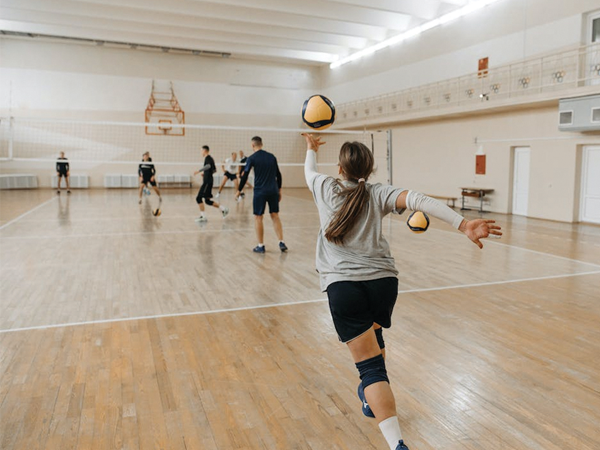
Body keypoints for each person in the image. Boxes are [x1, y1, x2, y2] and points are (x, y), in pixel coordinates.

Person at [302, 133, 502, 450]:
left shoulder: (325, 187)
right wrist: (463, 224)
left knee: (370, 369)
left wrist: (311, 148)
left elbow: (308, 171)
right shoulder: (379, 193)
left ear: (340, 168)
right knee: (374, 335)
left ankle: (397, 444)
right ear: (370, 169)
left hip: (344, 286)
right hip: (383, 283)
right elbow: (421, 201)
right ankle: (371, 400)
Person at [237, 136, 287, 253]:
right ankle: (281, 242)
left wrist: (239, 190)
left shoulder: (252, 158)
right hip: (273, 190)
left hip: (260, 191)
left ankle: (260, 245)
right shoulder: (271, 157)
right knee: (275, 215)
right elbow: (278, 175)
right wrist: (279, 190)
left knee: (258, 217)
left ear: (252, 145)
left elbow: (245, 175)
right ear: (262, 144)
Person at [194, 145, 229, 222]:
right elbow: (214, 170)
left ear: (204, 150)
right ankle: (224, 209)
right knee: (207, 201)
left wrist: (199, 171)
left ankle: (203, 217)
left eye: (201, 151)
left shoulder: (208, 158)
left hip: (207, 182)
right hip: (208, 181)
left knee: (198, 198)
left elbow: (208, 166)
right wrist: (206, 173)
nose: (201, 152)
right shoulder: (210, 158)